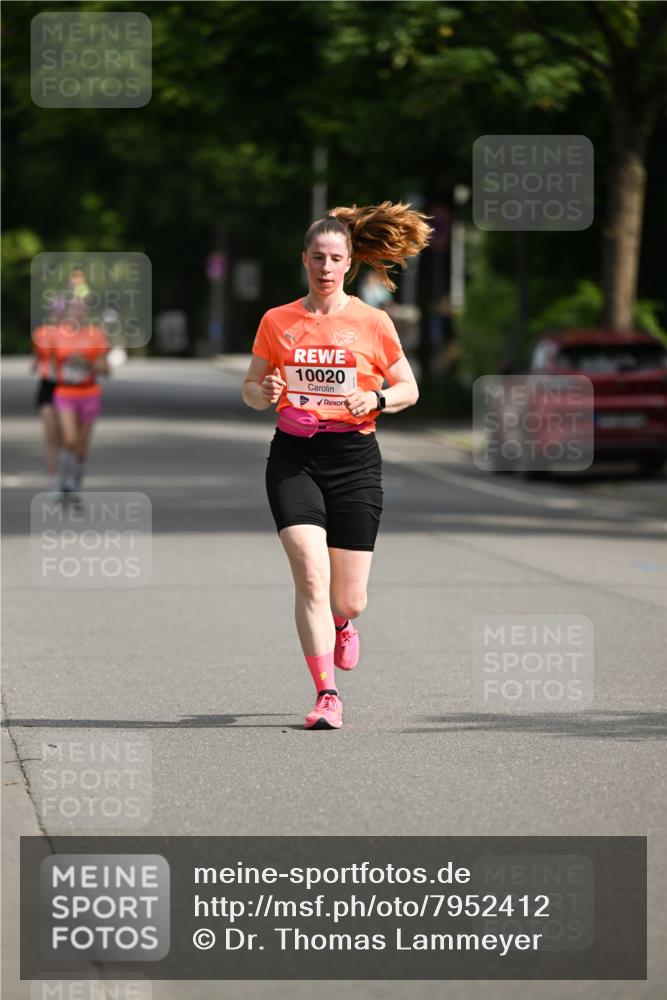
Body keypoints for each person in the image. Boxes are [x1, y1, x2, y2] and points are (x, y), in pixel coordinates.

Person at [242, 201, 432, 730]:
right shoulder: (277, 321)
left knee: (349, 596)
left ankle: (343, 621)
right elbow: (251, 390)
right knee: (309, 572)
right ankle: (327, 693)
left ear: (349, 264)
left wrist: (375, 401)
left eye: (335, 258)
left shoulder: (372, 322)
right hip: (294, 456)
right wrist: (268, 390)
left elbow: (409, 388)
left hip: (353, 459)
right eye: (317, 257)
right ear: (304, 260)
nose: (325, 267)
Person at [49, 295, 110, 498]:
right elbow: (48, 365)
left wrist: (86, 362)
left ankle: (75, 484)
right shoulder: (56, 336)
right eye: (73, 309)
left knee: (81, 448)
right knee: (69, 440)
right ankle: (63, 482)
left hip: (89, 393)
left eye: (81, 309)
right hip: (65, 393)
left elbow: (105, 370)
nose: (77, 312)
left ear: (86, 313)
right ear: (66, 312)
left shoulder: (96, 336)